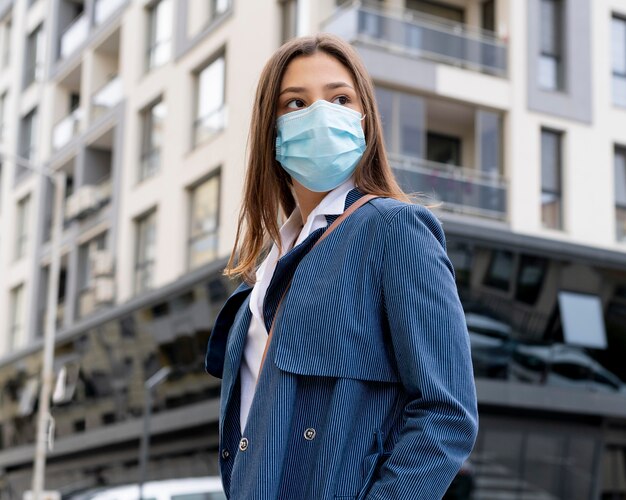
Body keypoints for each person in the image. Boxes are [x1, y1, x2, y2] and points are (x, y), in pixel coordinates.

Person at [205, 33, 478, 500]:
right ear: (270, 128)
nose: (320, 115)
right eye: (296, 103)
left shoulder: (395, 230)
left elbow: (446, 413)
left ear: (364, 119)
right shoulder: (264, 276)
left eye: (339, 98)